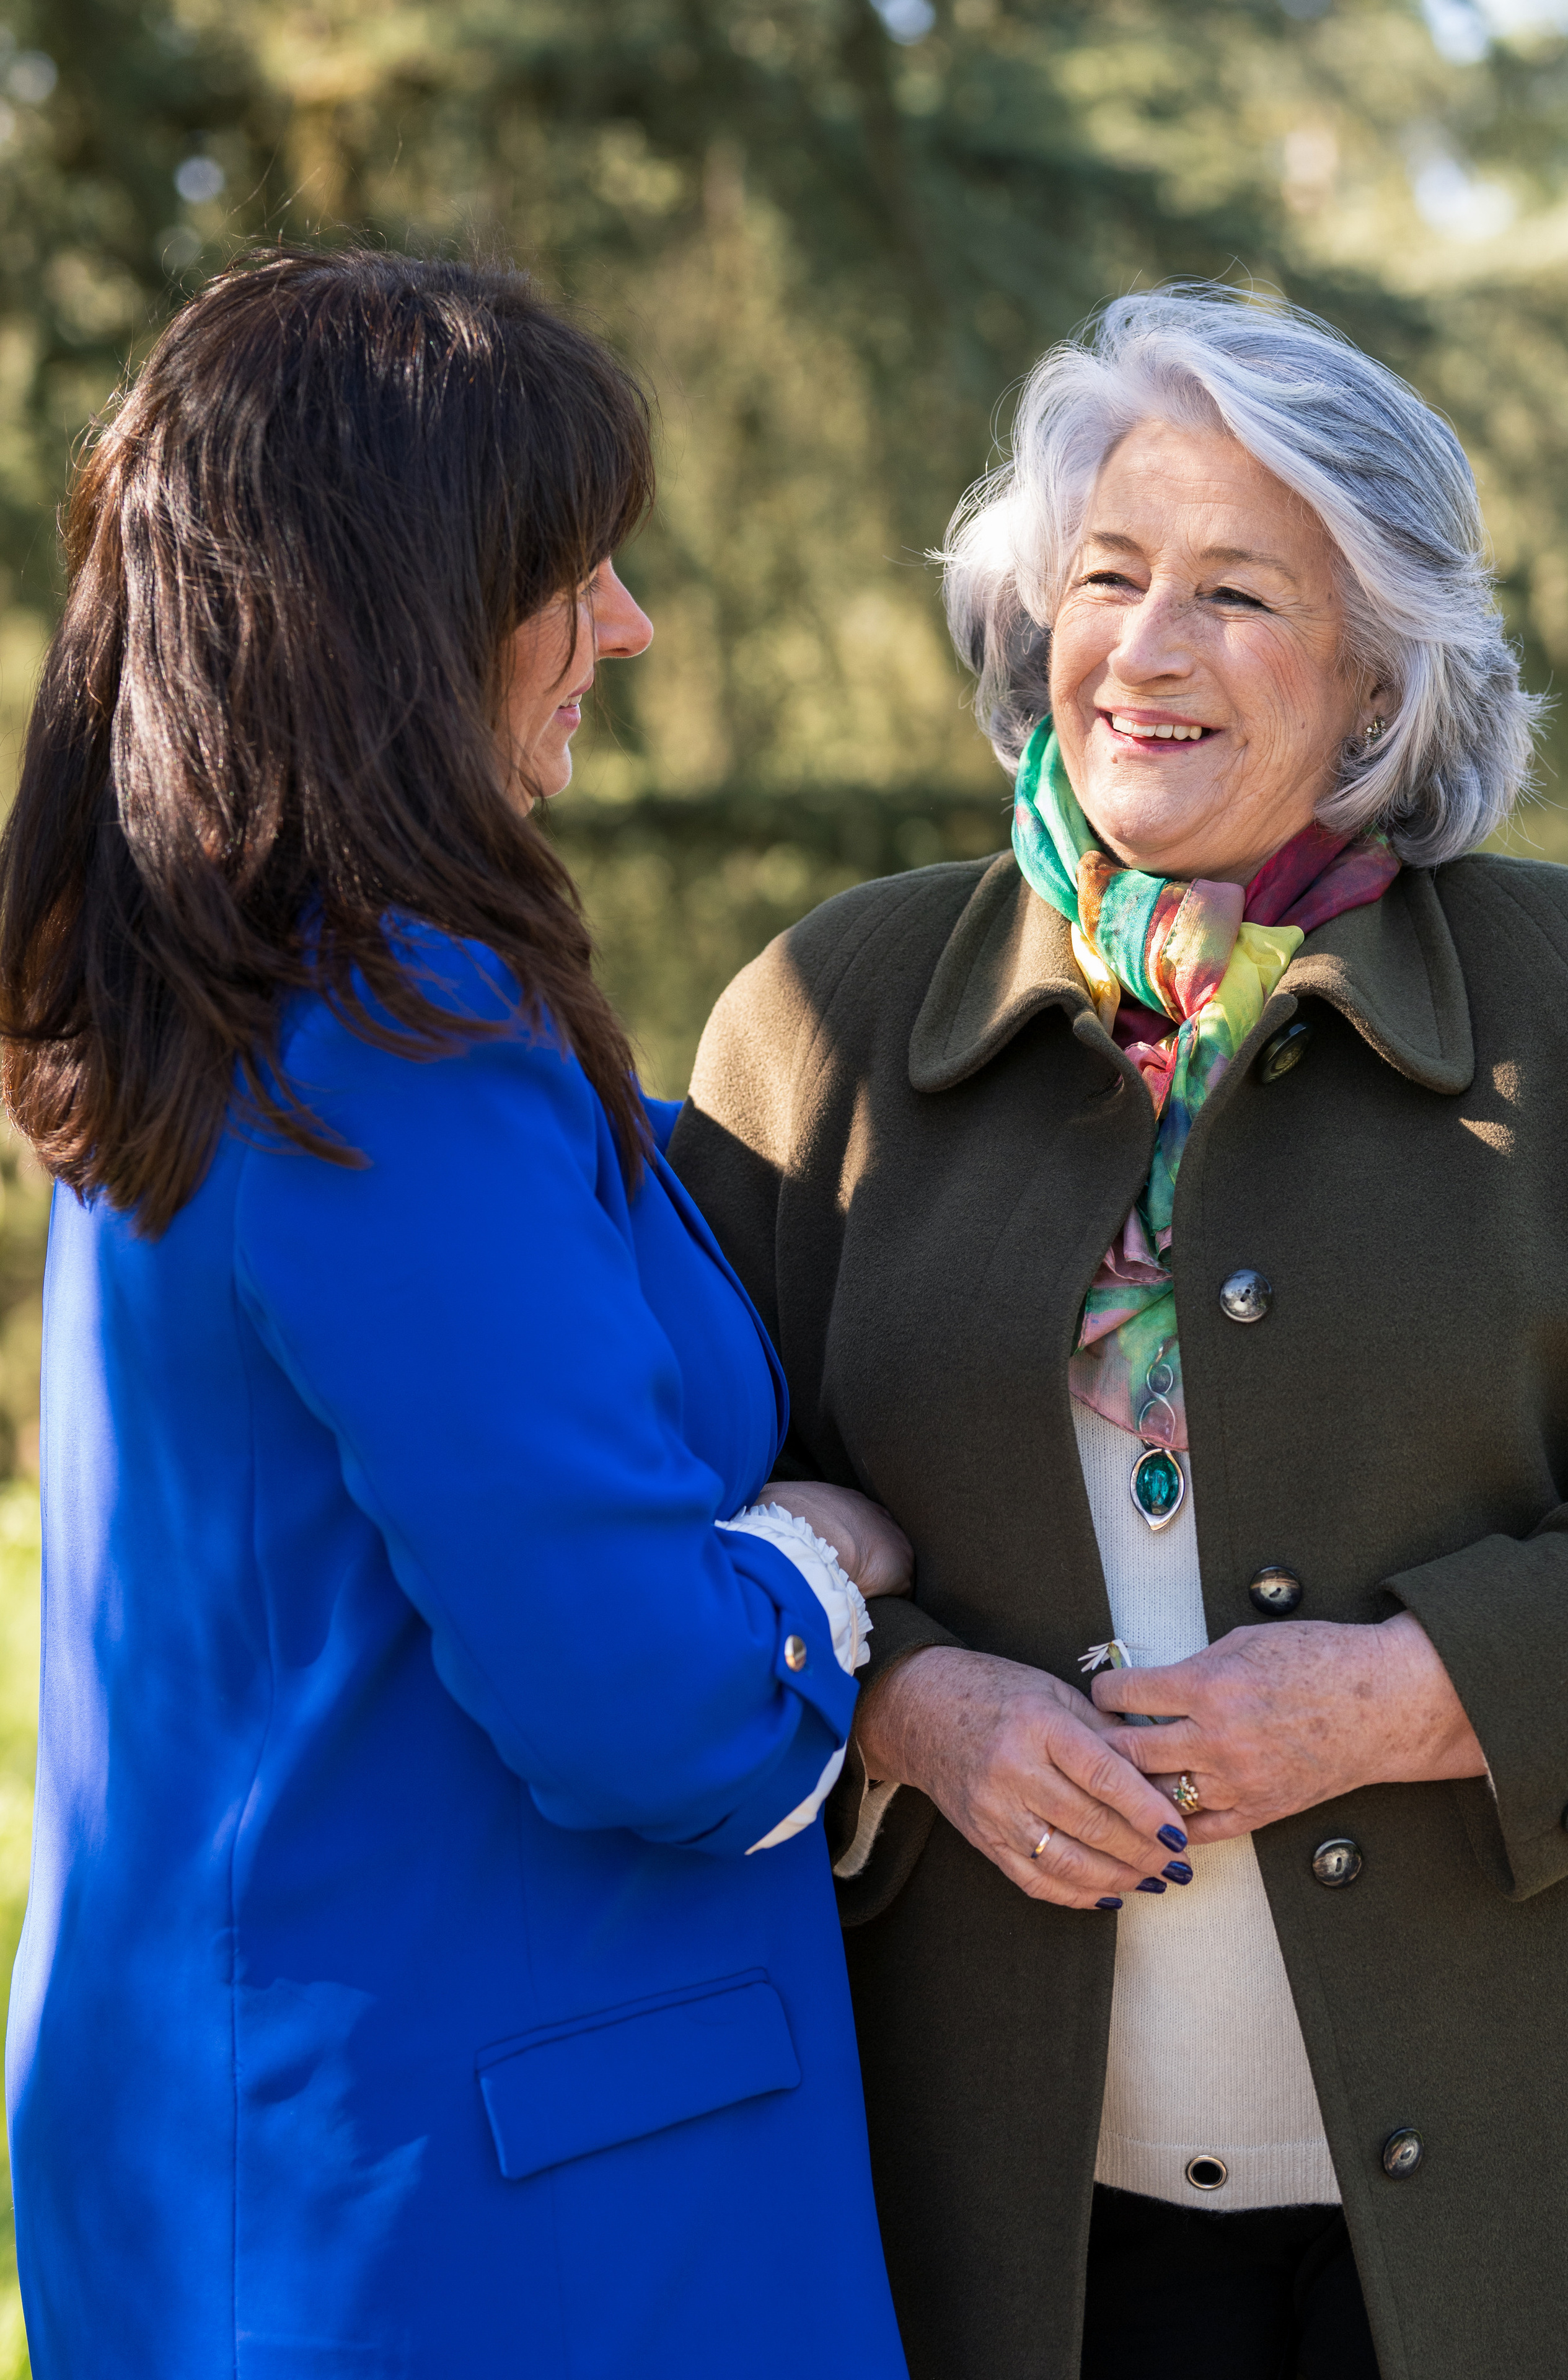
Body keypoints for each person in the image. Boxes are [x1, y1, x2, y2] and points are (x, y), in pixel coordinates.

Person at [0, 248, 913, 2380]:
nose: (627, 623)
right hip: (512, 2224)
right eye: (568, 566)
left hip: (263, 2158)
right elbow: (651, 1711)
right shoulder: (396, 1033)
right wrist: (823, 1561)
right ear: (404, 609)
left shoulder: (209, 1001)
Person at [672, 284, 1568, 2380]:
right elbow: (659, 1533)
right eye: (1107, 576)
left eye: (1239, 594)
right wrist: (905, 1712)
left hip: (1521, 2221)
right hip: (996, 2238)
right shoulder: (821, 1023)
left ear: (1379, 666)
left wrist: (1417, 1690)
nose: (1148, 652)